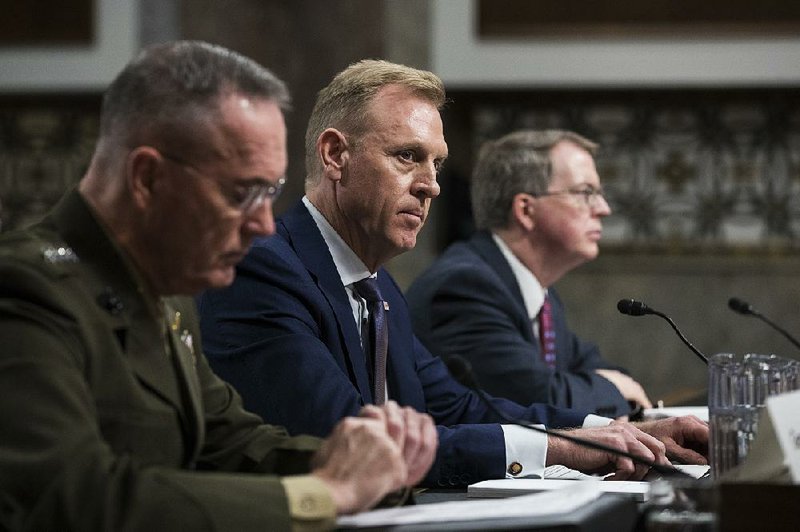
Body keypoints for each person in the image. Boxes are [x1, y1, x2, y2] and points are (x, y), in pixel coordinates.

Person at [198, 59, 707, 489]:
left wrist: (617, 432)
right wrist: (564, 449)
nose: (431, 186)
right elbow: (346, 437)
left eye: (437, 164)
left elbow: (460, 407)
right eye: (407, 157)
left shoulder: (378, 288)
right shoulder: (264, 267)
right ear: (335, 155)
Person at [0, 41, 439, 531]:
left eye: (269, 193)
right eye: (241, 193)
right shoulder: (25, 289)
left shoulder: (169, 297)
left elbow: (231, 442)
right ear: (147, 178)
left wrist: (373, 469)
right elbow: (72, 498)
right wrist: (322, 494)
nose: (264, 225)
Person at [407, 130, 652, 419]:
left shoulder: (538, 293)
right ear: (525, 209)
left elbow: (604, 372)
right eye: (586, 193)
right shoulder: (464, 288)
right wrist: (613, 387)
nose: (604, 209)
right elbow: (537, 400)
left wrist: (611, 385)